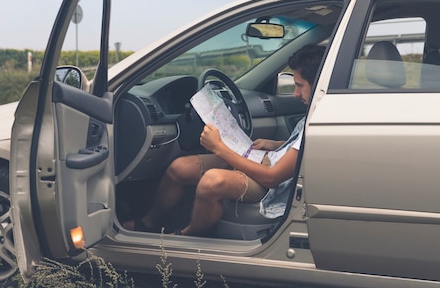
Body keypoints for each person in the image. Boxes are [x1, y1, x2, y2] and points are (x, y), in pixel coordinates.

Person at [123, 44, 326, 236]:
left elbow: (272, 178)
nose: (295, 93)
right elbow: (299, 148)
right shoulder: (314, 111)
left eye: (299, 85)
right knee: (179, 168)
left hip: (270, 184)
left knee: (212, 182)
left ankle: (188, 234)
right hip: (265, 158)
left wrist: (220, 148)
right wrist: (276, 144)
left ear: (318, 83)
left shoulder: (321, 120)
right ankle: (149, 222)